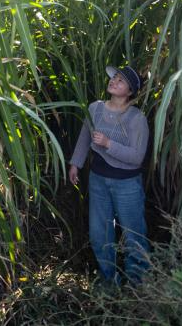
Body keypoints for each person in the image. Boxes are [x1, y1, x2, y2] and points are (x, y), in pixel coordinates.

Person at [68, 65, 149, 286]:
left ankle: (138, 283)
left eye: (121, 81)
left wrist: (108, 144)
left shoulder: (136, 119)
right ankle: (109, 281)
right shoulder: (95, 108)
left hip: (127, 184)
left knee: (133, 235)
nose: (114, 81)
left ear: (130, 92)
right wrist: (76, 163)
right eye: (114, 78)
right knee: (99, 233)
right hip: (98, 180)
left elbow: (137, 157)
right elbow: (85, 137)